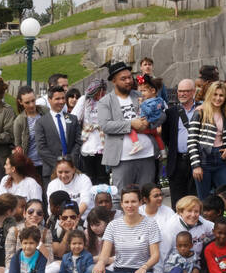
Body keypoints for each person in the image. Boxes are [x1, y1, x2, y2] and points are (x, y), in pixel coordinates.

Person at [88, 186, 161, 273]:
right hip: (118, 272)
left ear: (140, 202)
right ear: (121, 204)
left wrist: (144, 268)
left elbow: (155, 255)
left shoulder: (150, 224)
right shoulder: (113, 225)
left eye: (133, 201)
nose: (130, 205)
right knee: (91, 269)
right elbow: (105, 254)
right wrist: (101, 263)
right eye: (126, 202)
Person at [95, 61, 158, 190]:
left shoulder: (141, 96)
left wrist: (149, 121)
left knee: (146, 195)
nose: (128, 81)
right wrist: (131, 124)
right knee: (122, 196)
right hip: (122, 158)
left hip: (147, 155)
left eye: (129, 77)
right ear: (114, 81)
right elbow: (106, 126)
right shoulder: (105, 101)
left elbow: (161, 115)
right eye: (123, 79)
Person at [188, 81, 226, 200]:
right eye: (215, 94)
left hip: (220, 158)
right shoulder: (200, 112)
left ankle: (225, 219)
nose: (218, 98)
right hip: (204, 159)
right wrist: (196, 166)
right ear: (209, 95)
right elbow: (192, 141)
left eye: (221, 95)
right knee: (204, 199)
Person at [37, 85, 82, 181]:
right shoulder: (41, 122)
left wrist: (70, 162)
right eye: (57, 99)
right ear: (49, 100)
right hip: (51, 170)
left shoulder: (72, 119)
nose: (61, 101)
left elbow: (78, 142)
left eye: (63, 98)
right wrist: (59, 165)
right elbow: (41, 148)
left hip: (72, 169)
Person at [74, 78, 109, 185]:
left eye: (102, 93)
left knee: (103, 175)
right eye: (98, 93)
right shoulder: (84, 100)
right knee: (89, 176)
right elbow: (75, 117)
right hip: (88, 141)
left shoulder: (107, 100)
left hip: (103, 141)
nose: (100, 96)